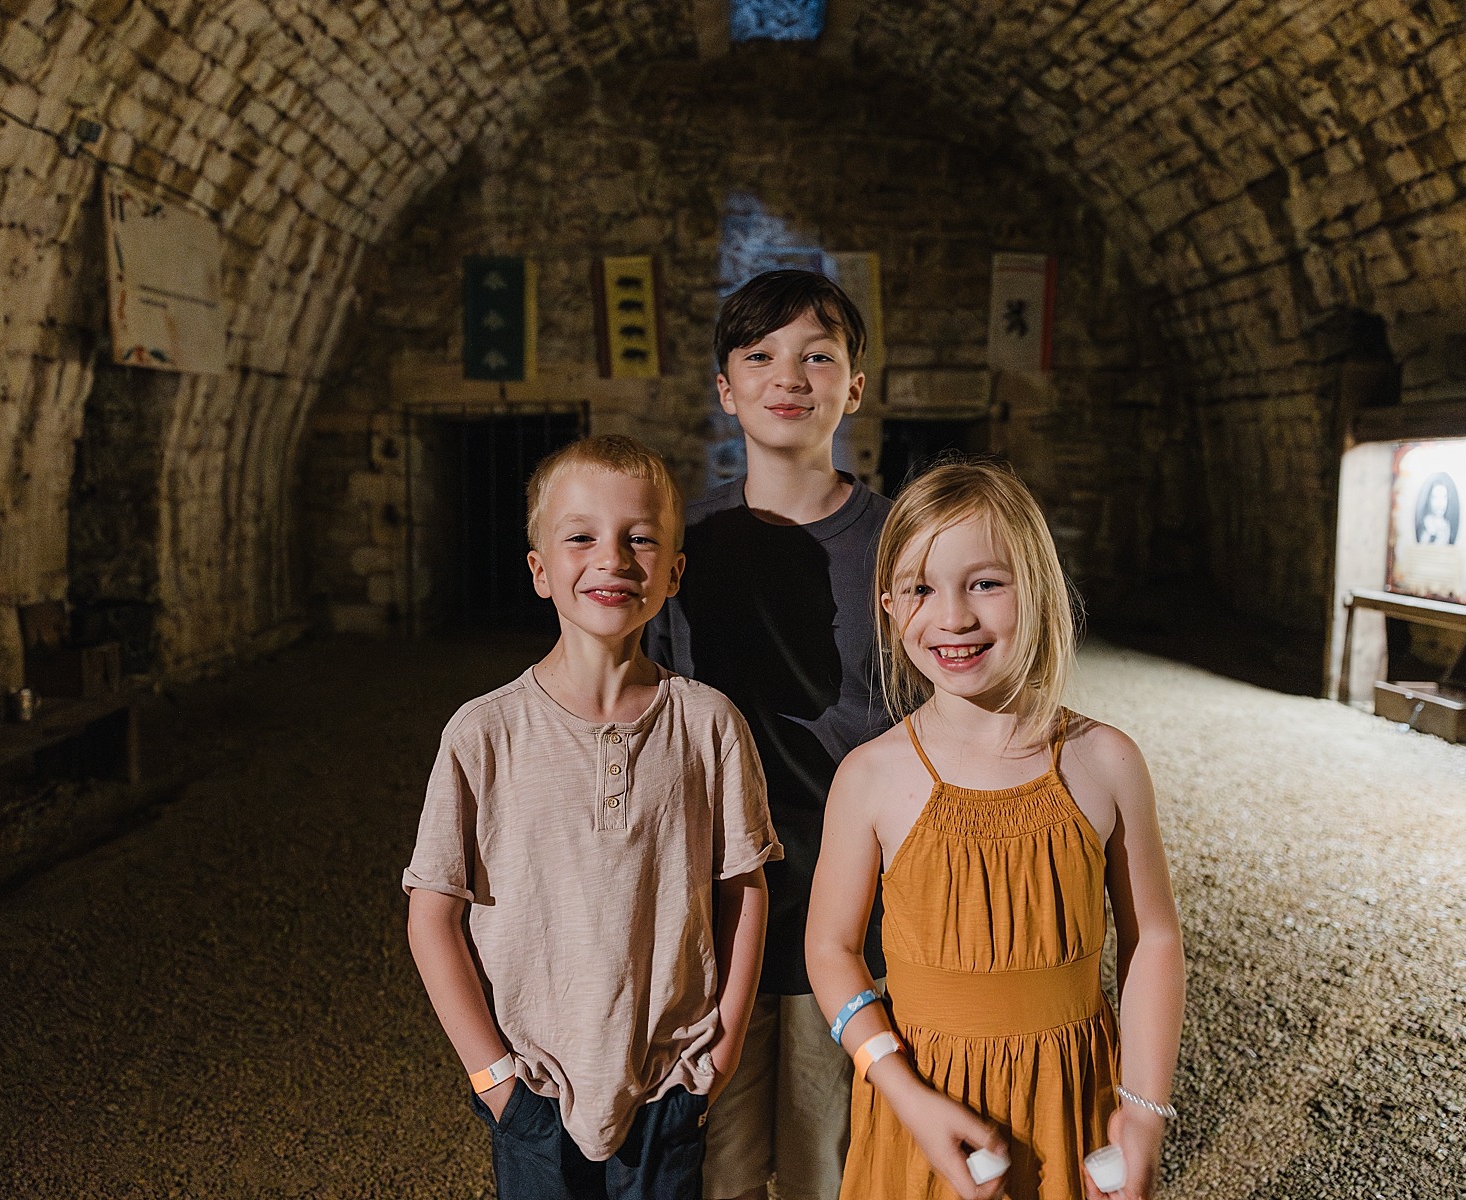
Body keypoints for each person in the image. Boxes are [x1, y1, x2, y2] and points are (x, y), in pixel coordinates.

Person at [405, 435, 782, 1200]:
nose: (612, 558)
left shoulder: (709, 725)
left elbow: (744, 887)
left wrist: (725, 1049)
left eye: (639, 537)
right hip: (534, 1087)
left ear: (673, 572)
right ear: (541, 571)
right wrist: (495, 1081)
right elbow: (431, 916)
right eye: (581, 537)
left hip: (669, 1084)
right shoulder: (484, 734)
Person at [806, 460, 1186, 1200]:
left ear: (1037, 586)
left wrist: (1144, 1113)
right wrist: (902, 1092)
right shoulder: (870, 777)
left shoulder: (1105, 761)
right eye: (921, 588)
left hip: (1070, 1107)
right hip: (922, 1106)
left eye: (985, 582)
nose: (953, 617)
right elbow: (831, 948)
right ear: (887, 605)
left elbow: (1155, 940)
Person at [647, 269, 890, 1200]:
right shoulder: (681, 542)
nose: (789, 376)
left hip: (856, 894)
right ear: (726, 389)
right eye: (761, 356)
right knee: (724, 1161)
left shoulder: (897, 541)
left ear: (853, 388)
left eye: (817, 355)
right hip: (721, 896)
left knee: (833, 1157)